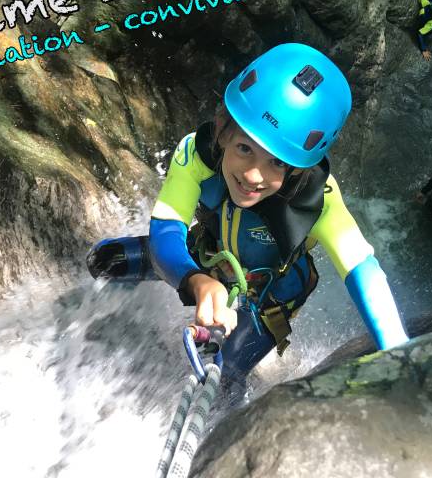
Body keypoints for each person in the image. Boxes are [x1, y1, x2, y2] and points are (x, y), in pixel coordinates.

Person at [86, 43, 409, 382]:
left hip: (269, 295)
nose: (254, 175)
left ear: (300, 169)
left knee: (218, 377)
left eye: (277, 163)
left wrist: (398, 349)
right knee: (104, 259)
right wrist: (194, 279)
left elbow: (363, 270)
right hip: (208, 255)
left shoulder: (318, 200)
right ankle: (113, 312)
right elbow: (166, 231)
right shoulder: (197, 153)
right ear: (223, 130)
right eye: (244, 148)